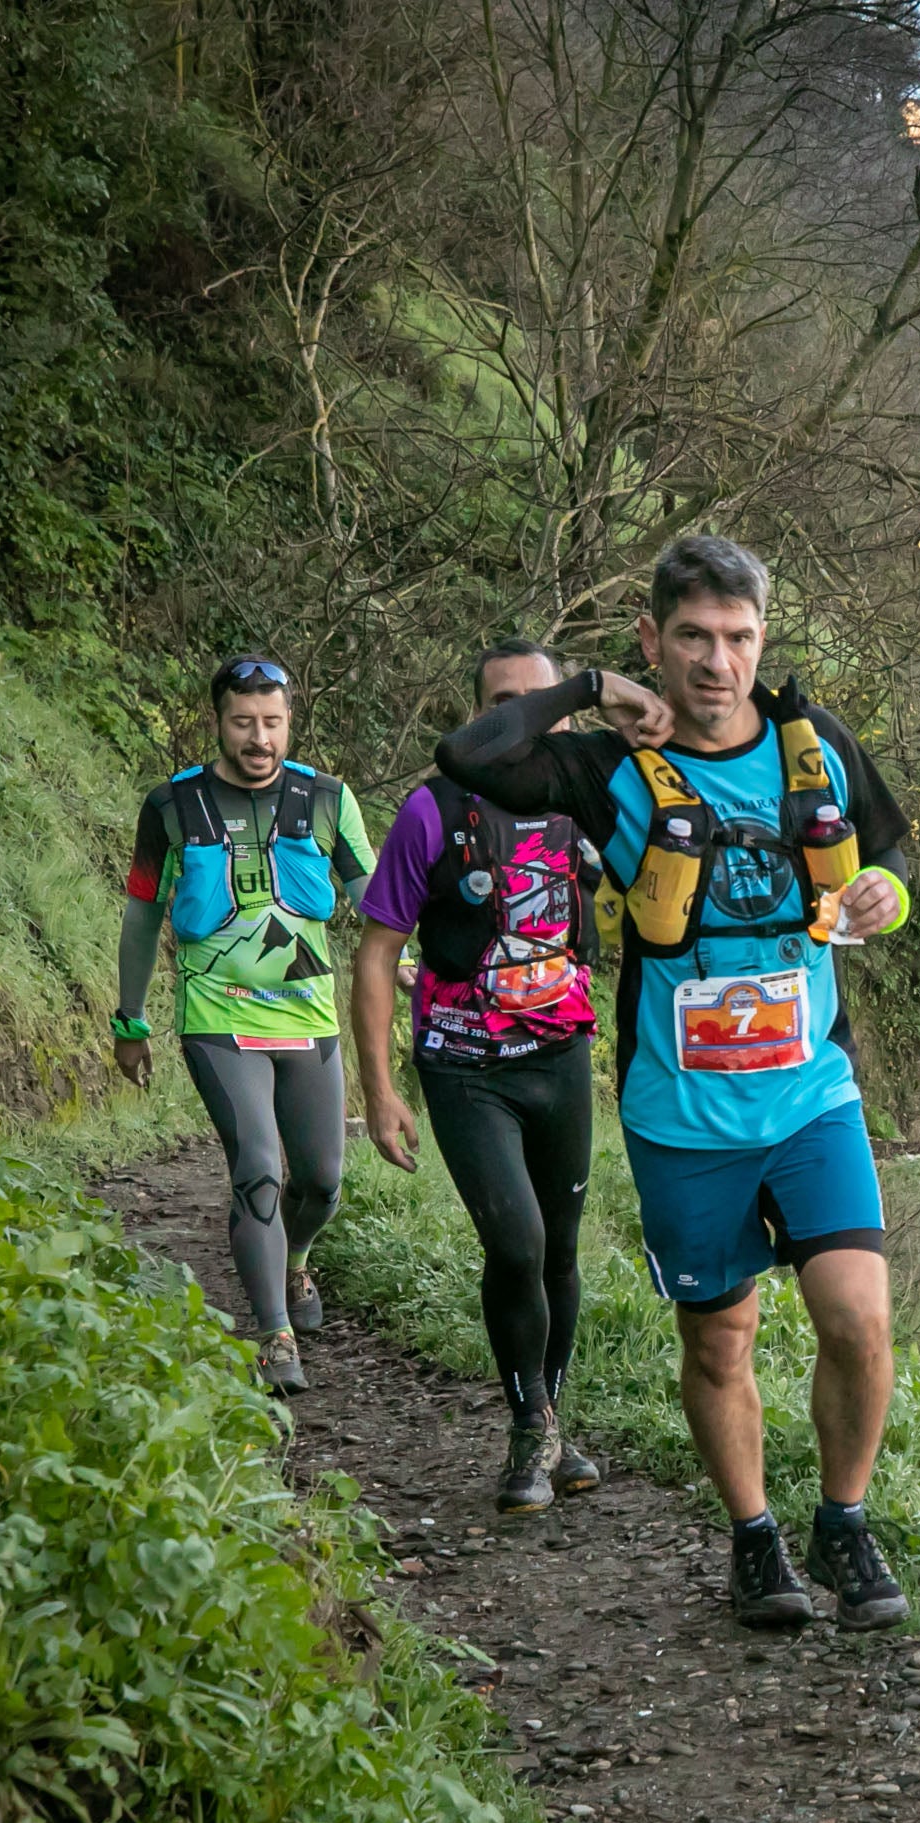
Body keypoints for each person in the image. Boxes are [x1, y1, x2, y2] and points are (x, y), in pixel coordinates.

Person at [434, 535, 915, 1631]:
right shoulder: (602, 767)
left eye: (738, 638)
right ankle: (755, 1542)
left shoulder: (816, 746)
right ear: (655, 639)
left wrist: (889, 893)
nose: (717, 662)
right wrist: (593, 690)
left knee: (858, 1320)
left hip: (810, 1095)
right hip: (682, 1115)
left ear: (761, 641)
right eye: (692, 637)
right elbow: (468, 755)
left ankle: (844, 1521)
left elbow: (892, 854)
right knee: (720, 1339)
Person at [354, 640, 607, 1515]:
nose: (520, 724)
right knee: (517, 1243)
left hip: (562, 1056)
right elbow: (379, 951)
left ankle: (552, 1416)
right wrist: (379, 1090)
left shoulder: (597, 801)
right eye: (502, 704)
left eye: (539, 705)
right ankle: (530, 1426)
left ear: (567, 721)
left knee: (563, 1250)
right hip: (463, 1066)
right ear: (476, 717)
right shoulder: (434, 809)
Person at [115, 656, 378, 1393]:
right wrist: (129, 1017)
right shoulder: (171, 805)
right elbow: (142, 915)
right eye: (243, 722)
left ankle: (295, 1264)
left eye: (272, 722)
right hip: (216, 1016)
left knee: (322, 1181)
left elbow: (379, 899)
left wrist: (423, 964)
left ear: (290, 720)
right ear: (217, 722)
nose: (258, 737)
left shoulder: (327, 798)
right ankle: (274, 1335)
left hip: (310, 1016)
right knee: (259, 1166)